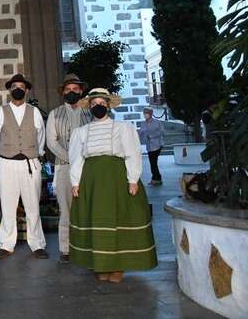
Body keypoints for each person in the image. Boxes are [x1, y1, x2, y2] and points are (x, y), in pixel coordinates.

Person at [69, 88, 157, 283]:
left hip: (116, 178)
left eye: (101, 103)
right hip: (91, 180)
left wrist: (133, 179)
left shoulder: (122, 128)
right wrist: (75, 182)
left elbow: (132, 153)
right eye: (93, 104)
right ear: (89, 108)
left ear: (108, 105)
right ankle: (100, 264)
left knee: (119, 219)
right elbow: (76, 157)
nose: (97, 107)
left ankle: (118, 266)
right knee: (96, 221)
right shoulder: (81, 132)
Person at [0, 74, 48, 260]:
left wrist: (34, 152)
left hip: (29, 163)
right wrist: (2, 152)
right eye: (14, 86)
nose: (18, 89)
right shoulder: (0, 112)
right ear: (9, 90)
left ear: (26, 90)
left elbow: (41, 137)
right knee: (7, 206)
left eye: (21, 86)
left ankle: (37, 244)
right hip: (7, 163)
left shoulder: (35, 112)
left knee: (33, 205)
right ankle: (6, 244)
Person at [45, 74, 90, 264]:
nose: (71, 92)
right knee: (66, 208)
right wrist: (70, 157)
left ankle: (88, 246)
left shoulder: (90, 112)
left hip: (88, 167)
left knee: (88, 207)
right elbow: (51, 142)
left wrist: (84, 159)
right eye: (67, 89)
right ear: (63, 92)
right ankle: (65, 249)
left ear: (81, 91)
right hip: (64, 167)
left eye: (75, 89)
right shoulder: (55, 114)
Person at [138, 107, 164, 186]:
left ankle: (156, 179)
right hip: (149, 146)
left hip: (157, 145)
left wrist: (152, 136)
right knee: (153, 163)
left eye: (146, 113)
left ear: (150, 114)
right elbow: (140, 133)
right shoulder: (143, 123)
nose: (145, 115)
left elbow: (161, 132)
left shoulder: (157, 122)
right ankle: (156, 178)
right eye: (144, 113)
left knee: (153, 163)